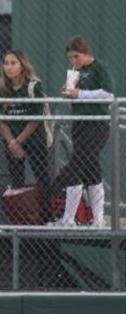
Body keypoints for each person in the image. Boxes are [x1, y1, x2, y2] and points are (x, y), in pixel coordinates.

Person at [55, 36, 115, 227]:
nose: (73, 61)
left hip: (97, 124)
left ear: (85, 53)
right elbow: (75, 95)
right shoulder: (75, 71)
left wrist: (80, 94)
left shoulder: (99, 68)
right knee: (91, 168)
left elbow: (108, 94)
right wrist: (69, 92)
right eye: (70, 58)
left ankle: (68, 219)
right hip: (79, 124)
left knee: (77, 164)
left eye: (76, 56)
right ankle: (98, 219)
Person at [0, 50, 50, 192]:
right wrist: (12, 143)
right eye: (6, 63)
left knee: (42, 177)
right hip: (12, 142)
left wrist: (19, 141)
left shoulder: (33, 86)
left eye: (13, 63)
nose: (9, 67)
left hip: (33, 140)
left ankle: (47, 213)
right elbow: (1, 120)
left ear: (22, 65)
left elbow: (35, 118)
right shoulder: (2, 89)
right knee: (16, 180)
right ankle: (20, 212)